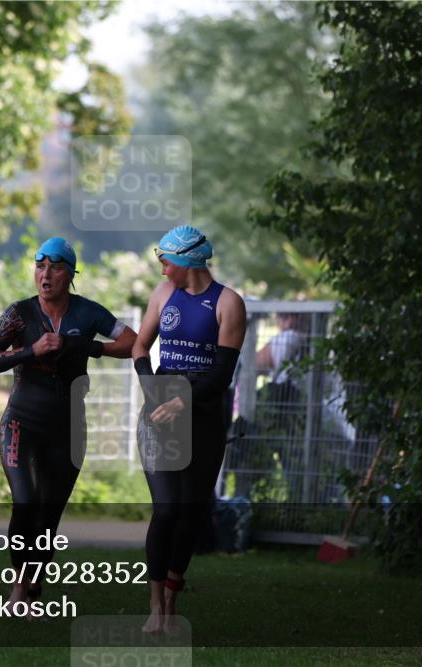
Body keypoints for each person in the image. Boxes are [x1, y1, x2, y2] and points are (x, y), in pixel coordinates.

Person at [0, 237, 137, 614]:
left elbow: (130, 341)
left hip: (69, 428)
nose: (45, 275)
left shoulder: (87, 313)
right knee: (26, 501)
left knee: (49, 514)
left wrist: (87, 348)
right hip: (21, 423)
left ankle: (30, 586)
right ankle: (21, 586)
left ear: (70, 274)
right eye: (39, 266)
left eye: (55, 267)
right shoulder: (19, 313)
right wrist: (31, 351)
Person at [131, 225, 246, 633]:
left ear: (185, 261)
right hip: (161, 412)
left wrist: (182, 400)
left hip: (203, 415)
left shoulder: (229, 304)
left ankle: (174, 595)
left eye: (166, 263)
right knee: (166, 509)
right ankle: (155, 603)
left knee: (191, 511)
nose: (162, 272)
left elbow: (220, 376)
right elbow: (140, 346)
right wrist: (154, 392)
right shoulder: (163, 296)